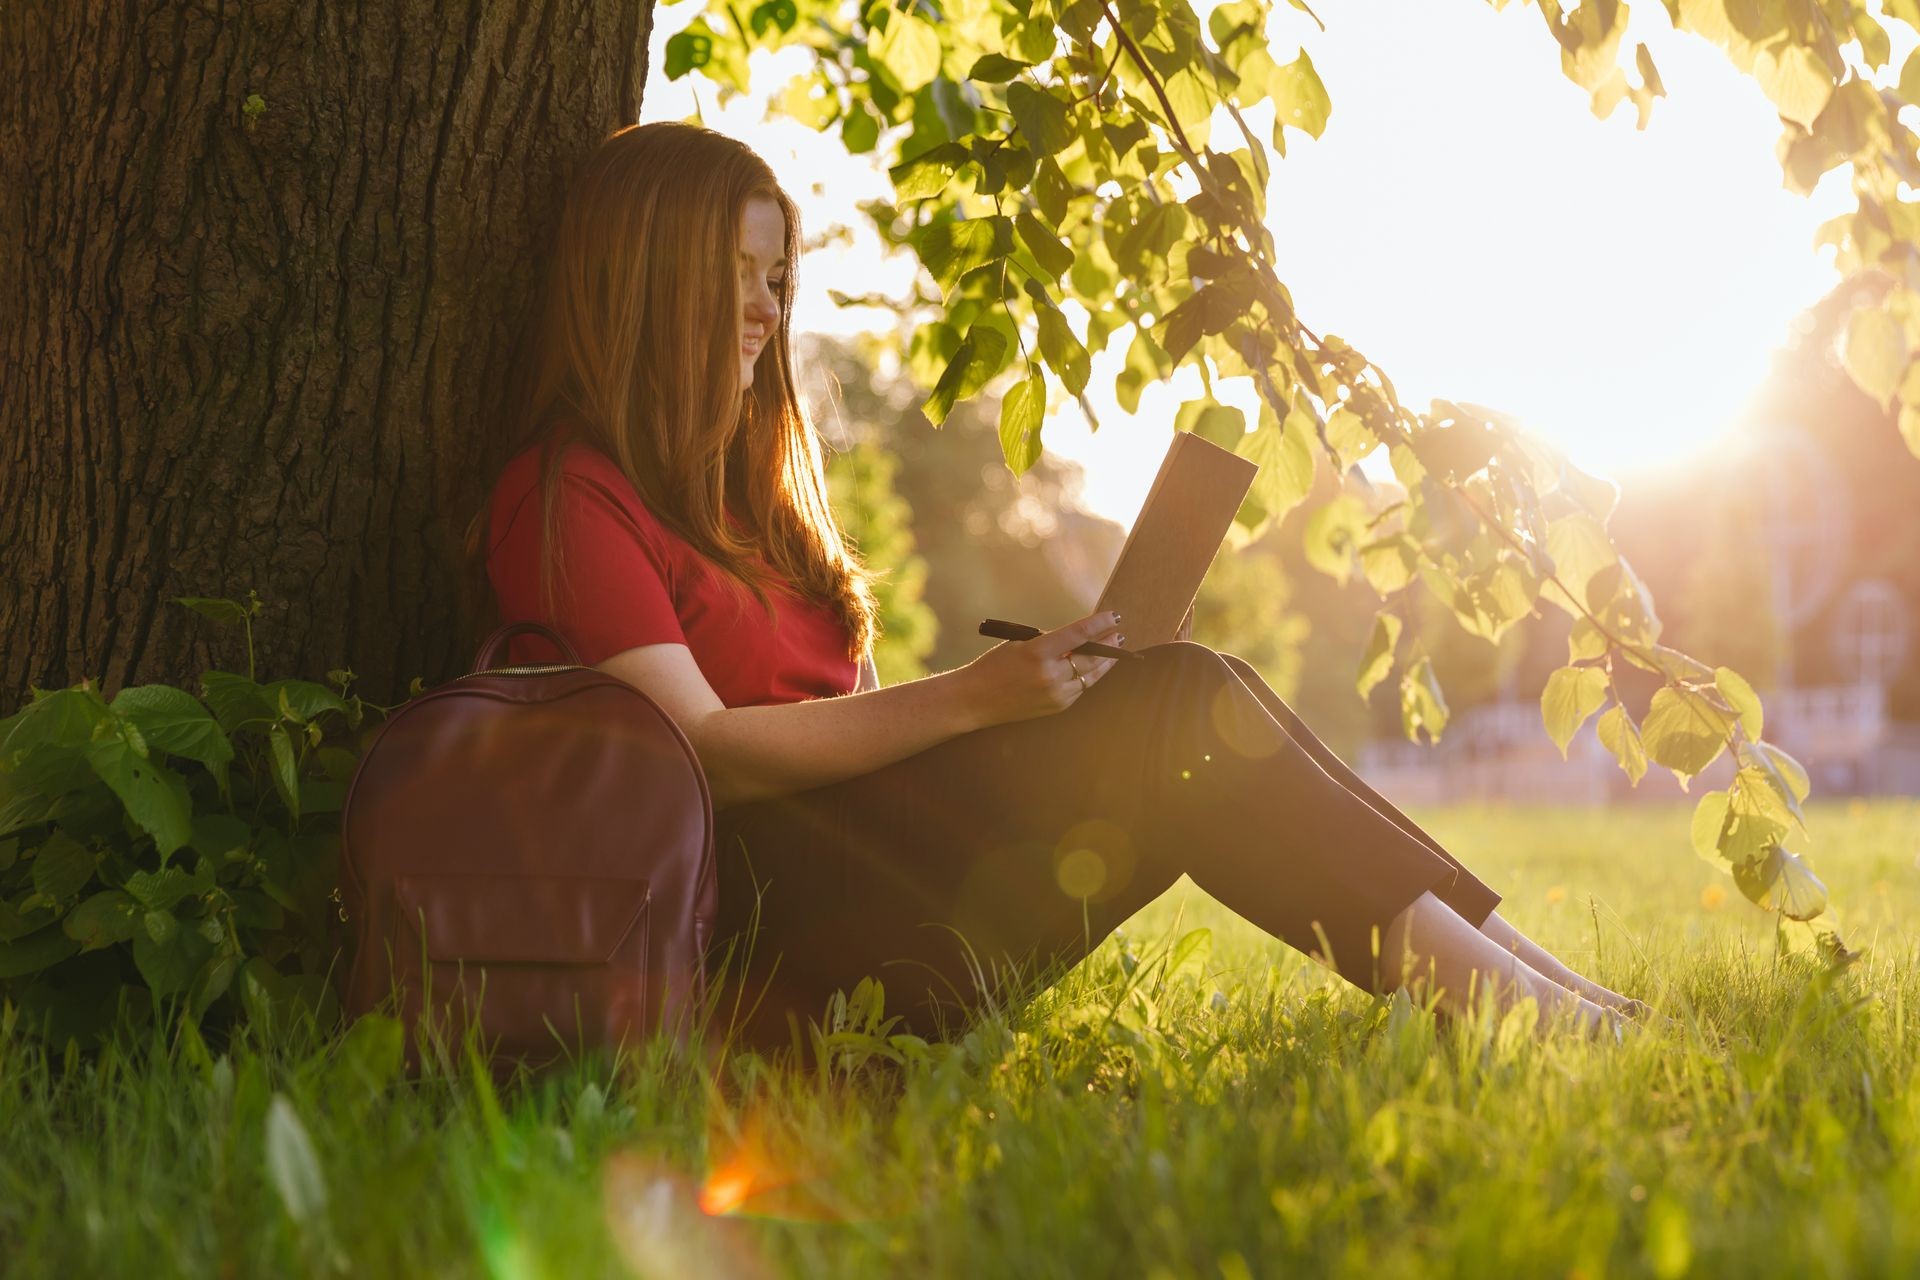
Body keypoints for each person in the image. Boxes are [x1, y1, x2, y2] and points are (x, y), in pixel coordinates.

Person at [469, 120, 1647, 1054]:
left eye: (776, 276)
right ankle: (1528, 1013)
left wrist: (1024, 697)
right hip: (768, 946)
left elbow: (854, 726)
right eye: (733, 271)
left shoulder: (747, 501)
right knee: (1173, 703)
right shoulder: (568, 493)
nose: (767, 308)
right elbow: (703, 749)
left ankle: (1547, 983)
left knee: (1189, 686)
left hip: (864, 880)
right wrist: (976, 703)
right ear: (642, 276)